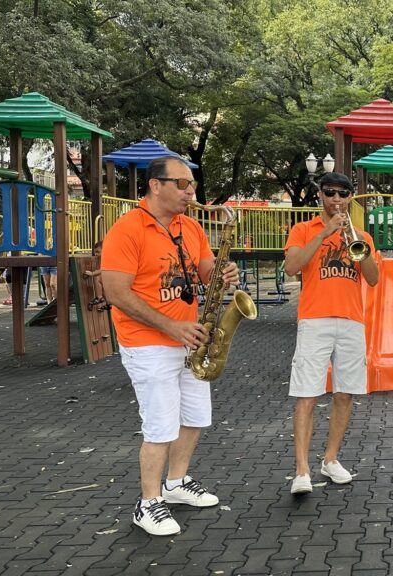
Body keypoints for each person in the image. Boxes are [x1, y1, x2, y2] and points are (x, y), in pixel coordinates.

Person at [101, 156, 239, 537]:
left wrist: (224, 274)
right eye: (181, 184)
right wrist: (170, 326)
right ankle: (147, 504)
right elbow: (114, 291)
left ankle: (176, 484)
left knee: (195, 417)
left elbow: (207, 271)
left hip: (191, 337)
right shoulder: (127, 229)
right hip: (148, 342)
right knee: (160, 426)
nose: (190, 191)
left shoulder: (190, 227)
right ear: (155, 185)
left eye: (191, 184)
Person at [284, 172, 378, 495]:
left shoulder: (360, 234)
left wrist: (359, 241)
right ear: (320, 196)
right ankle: (301, 470)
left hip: (352, 320)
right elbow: (291, 266)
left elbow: (374, 277)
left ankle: (331, 459)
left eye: (342, 194)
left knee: (345, 393)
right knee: (307, 394)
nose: (336, 199)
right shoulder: (302, 229)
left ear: (350, 197)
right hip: (314, 319)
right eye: (330, 193)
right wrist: (325, 233)